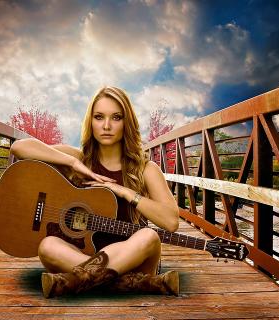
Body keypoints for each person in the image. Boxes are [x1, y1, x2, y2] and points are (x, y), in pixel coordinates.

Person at [10, 86, 180, 298]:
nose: (106, 126)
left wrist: (126, 192)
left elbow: (171, 222)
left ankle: (76, 280)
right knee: (47, 245)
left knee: (149, 237)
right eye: (99, 117)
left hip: (134, 259)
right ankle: (133, 284)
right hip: (84, 255)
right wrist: (72, 162)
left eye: (116, 117)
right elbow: (19, 148)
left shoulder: (146, 169)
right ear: (90, 122)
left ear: (127, 122)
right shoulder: (80, 160)